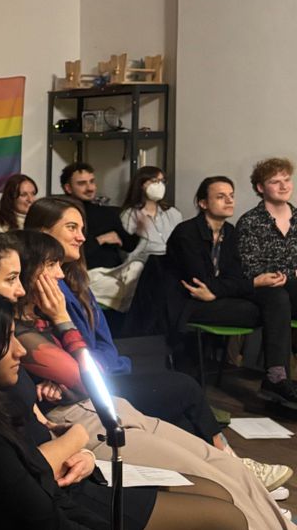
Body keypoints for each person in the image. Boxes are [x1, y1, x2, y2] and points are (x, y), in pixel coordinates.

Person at [12, 229, 296, 524]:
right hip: (87, 420)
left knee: (231, 469)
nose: (59, 275)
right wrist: (62, 320)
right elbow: (88, 376)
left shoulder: (43, 315)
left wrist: (65, 375)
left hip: (111, 405)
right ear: (27, 272)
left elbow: (89, 364)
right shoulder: (22, 328)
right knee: (217, 482)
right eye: (50, 266)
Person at [0, 285, 249, 530]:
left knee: (217, 490)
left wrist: (84, 455)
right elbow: (44, 515)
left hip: (72, 486)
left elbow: (34, 457)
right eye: (6, 341)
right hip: (68, 504)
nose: (20, 352)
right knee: (226, 519)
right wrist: (75, 439)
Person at [25, 197, 227, 444]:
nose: (82, 237)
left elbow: (106, 343)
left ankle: (230, 464)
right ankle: (232, 463)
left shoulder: (76, 281)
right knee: (184, 387)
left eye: (82, 229)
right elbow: (59, 354)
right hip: (84, 385)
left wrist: (101, 367)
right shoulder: (43, 289)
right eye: (71, 228)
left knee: (184, 417)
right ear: (42, 233)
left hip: (104, 373)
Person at [235, 157, 297, 407]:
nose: (284, 186)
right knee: (277, 296)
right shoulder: (250, 222)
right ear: (261, 187)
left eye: (287, 180)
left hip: (291, 283)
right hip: (262, 286)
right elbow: (250, 266)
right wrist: (282, 274)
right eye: (275, 182)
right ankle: (276, 377)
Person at [61, 162, 143, 311]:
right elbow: (68, 253)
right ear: (68, 188)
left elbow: (128, 245)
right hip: (87, 273)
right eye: (82, 183)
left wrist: (139, 229)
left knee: (139, 268)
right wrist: (101, 240)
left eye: (92, 182)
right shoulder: (62, 214)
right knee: (133, 291)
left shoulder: (107, 213)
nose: (90, 188)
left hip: (115, 271)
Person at [120, 166, 182, 262]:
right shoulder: (130, 215)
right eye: (154, 181)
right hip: (145, 266)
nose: (160, 185)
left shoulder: (173, 213)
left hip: (172, 265)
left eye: (162, 181)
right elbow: (126, 252)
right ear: (141, 185)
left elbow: (181, 244)